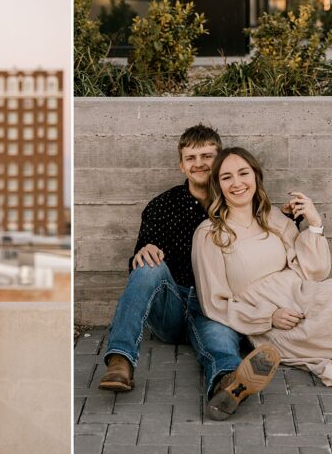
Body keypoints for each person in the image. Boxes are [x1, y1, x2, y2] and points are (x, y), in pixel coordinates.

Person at [98, 125, 280, 421]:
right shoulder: (162, 206)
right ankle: (120, 360)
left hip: (213, 307)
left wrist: (304, 221)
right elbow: (144, 259)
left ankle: (227, 384)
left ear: (220, 160)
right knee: (147, 266)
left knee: (219, 344)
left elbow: (270, 235)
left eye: (208, 155)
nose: (199, 163)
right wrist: (143, 253)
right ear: (182, 164)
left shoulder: (238, 202)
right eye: (191, 157)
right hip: (171, 305)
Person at [193, 147, 332, 392]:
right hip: (276, 324)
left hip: (305, 297)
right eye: (226, 177)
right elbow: (215, 304)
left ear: (255, 176)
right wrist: (269, 316)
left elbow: (314, 271)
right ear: (217, 185)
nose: (237, 183)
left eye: (243, 173)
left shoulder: (272, 217)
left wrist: (315, 224)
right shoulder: (210, 233)